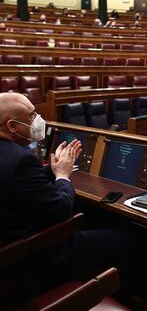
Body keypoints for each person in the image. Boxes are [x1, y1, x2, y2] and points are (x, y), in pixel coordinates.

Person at [0, 93, 131, 303]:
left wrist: (52, 171)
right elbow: (61, 210)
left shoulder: (11, 157)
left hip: (14, 247)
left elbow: (20, 186)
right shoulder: (21, 160)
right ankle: (117, 298)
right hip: (41, 254)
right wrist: (63, 176)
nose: (38, 119)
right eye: (32, 115)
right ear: (12, 126)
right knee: (123, 238)